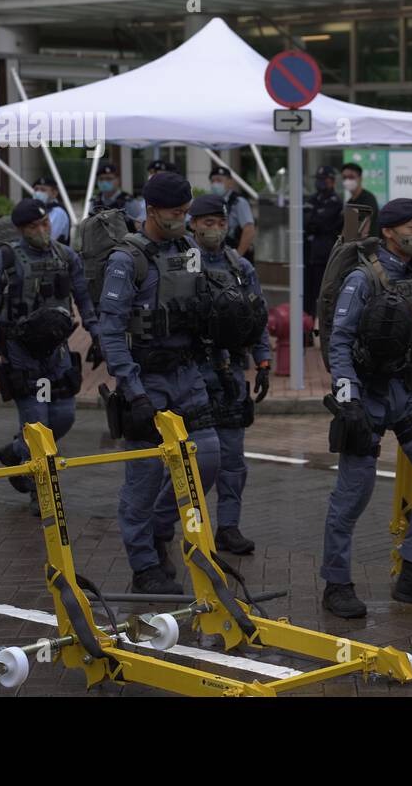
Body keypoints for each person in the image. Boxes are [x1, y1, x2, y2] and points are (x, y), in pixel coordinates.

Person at [320, 197, 412, 618]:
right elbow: (340, 341)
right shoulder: (362, 280)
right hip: (367, 398)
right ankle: (336, 584)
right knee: (353, 494)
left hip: (408, 394)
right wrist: (349, 402)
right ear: (388, 232)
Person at [96, 172, 221, 595]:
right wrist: (133, 390)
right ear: (151, 211)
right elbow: (110, 331)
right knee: (144, 476)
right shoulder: (126, 259)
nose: (183, 220)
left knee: (207, 460)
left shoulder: (187, 249)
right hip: (146, 380)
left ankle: (159, 530)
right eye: (175, 213)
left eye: (187, 212)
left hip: (188, 375)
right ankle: (144, 565)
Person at [0, 199, 98, 515]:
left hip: (57, 352)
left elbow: (83, 297)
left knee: (63, 417)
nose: (42, 231)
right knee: (37, 424)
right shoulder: (4, 259)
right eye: (33, 227)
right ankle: (41, 495)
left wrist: (98, 335)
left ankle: (16, 452)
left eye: (45, 224)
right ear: (21, 230)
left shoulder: (66, 256)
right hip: (21, 353)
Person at [181, 193, 271, 556]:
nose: (216, 229)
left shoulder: (239, 266)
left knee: (233, 461)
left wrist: (263, 361)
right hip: (193, 373)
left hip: (230, 374)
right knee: (199, 460)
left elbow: (258, 316)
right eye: (208, 223)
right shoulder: (182, 262)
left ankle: (228, 527)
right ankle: (192, 527)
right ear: (193, 224)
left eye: (221, 223)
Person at [303, 165, 342, 313]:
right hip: (308, 253)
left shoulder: (335, 201)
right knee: (307, 293)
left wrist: (313, 220)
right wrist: (313, 220)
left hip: (323, 255)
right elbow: (305, 221)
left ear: (331, 181)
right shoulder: (312, 198)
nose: (320, 183)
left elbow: (322, 223)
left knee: (322, 293)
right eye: (318, 179)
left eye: (323, 180)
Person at [208, 165, 257, 262]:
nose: (215, 184)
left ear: (230, 182)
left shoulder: (238, 202)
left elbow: (249, 230)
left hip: (237, 255)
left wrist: (237, 256)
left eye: (219, 180)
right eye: (213, 181)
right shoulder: (212, 202)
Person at [89, 161, 144, 226]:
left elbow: (140, 225)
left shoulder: (128, 201)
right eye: (101, 179)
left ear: (118, 180)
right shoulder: (95, 201)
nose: (104, 182)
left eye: (108, 179)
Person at [341, 162, 379, 237]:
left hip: (368, 244)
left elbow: (362, 225)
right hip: (353, 245)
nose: (347, 181)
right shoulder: (350, 202)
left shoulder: (368, 199)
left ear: (360, 178)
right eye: (345, 178)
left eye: (351, 177)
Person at [31, 175, 70, 245]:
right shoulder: (38, 210)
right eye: (36, 190)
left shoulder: (58, 212)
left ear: (54, 193)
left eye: (43, 190)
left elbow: (46, 238)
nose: (38, 193)